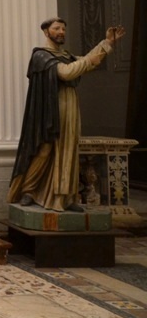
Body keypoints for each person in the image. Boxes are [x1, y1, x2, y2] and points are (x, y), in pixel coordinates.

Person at [8, 18, 125, 212]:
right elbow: (66, 73)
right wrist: (86, 61)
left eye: (63, 28)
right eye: (56, 28)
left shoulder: (66, 55)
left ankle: (65, 196)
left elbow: (87, 62)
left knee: (68, 148)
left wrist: (107, 43)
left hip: (69, 105)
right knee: (44, 149)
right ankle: (29, 189)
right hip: (50, 107)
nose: (61, 31)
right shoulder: (41, 56)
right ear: (46, 32)